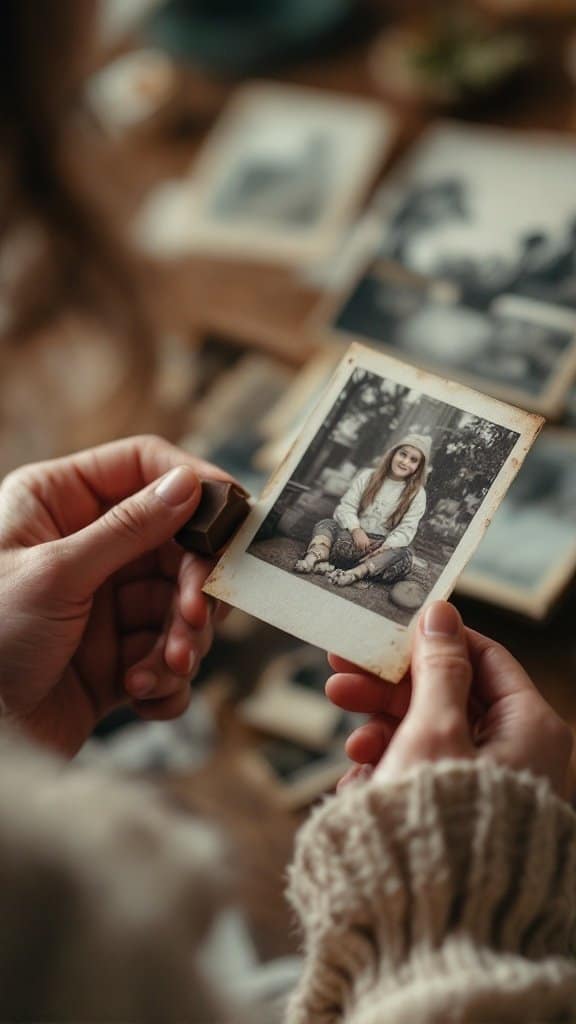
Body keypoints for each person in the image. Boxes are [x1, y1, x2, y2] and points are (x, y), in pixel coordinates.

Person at [0, 440, 575, 1021]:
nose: (402, 467)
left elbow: (408, 534)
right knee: (327, 523)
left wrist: (8, 709)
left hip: (378, 553)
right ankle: (322, 562)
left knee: (398, 560)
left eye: (409, 463)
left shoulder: (415, 499)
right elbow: (348, 506)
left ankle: (344, 572)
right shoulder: (368, 486)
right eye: (397, 460)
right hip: (347, 539)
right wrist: (445, 921)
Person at [294, 434, 430, 588]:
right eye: (403, 454)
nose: (405, 462)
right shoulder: (368, 476)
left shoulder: (417, 493)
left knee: (404, 554)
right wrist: (356, 530)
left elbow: (407, 528)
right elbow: (347, 506)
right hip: (350, 540)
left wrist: (385, 546)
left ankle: (353, 574)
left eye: (413, 460)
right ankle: (313, 559)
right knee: (326, 524)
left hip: (379, 548)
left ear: (419, 467)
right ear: (393, 454)